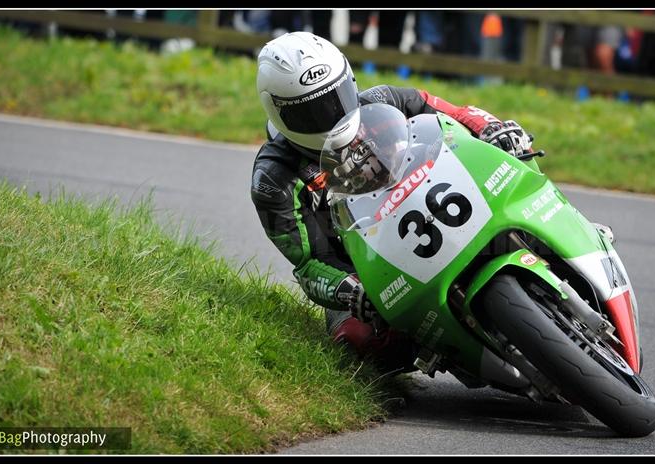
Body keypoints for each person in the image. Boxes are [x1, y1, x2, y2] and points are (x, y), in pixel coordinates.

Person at [250, 32, 610, 374]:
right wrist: (347, 290)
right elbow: (310, 264)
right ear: (280, 113)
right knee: (356, 342)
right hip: (371, 269)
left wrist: (493, 128)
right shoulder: (273, 180)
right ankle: (450, 354)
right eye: (311, 111)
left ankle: (570, 225)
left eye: (337, 97)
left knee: (512, 148)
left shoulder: (382, 100)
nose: (332, 115)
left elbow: (453, 113)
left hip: (438, 200)